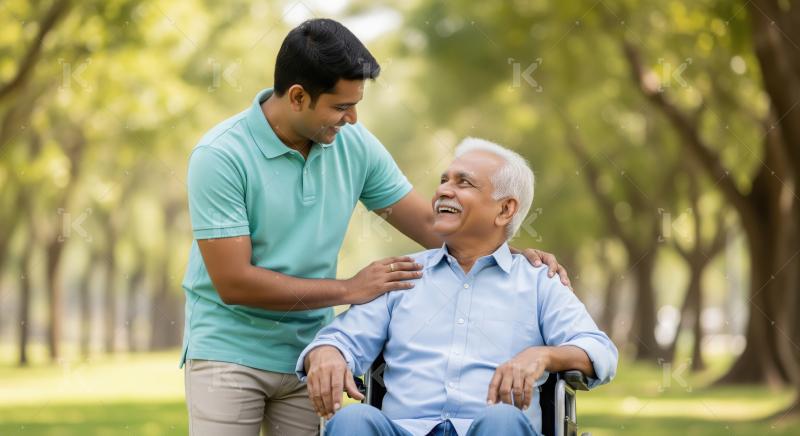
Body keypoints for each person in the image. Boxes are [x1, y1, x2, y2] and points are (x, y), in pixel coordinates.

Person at [182, 18, 570, 436]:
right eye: (340, 106)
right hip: (229, 352)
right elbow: (234, 282)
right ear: (297, 97)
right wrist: (349, 289)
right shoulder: (221, 155)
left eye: (356, 104)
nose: (351, 118)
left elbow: (428, 223)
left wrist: (510, 253)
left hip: (309, 351)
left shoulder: (353, 144)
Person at [297, 138, 618, 436]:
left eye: (463, 183)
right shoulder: (401, 275)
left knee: (503, 418)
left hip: (493, 429)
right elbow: (341, 338)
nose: (443, 192)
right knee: (352, 420)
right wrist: (328, 352)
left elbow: (600, 352)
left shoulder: (538, 282)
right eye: (443, 181)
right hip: (405, 430)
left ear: (505, 209)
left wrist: (544, 355)